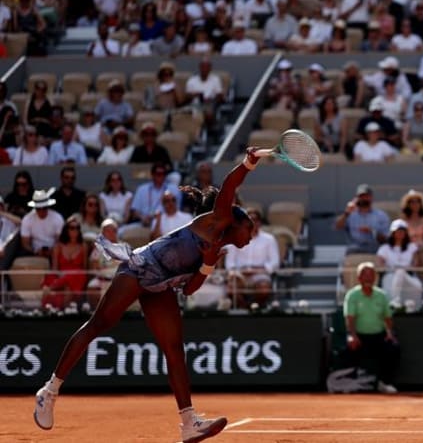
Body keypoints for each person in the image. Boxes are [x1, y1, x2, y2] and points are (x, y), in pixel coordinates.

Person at [34, 147, 265, 442]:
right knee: (99, 324)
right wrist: (249, 162)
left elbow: (189, 289)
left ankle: (189, 423)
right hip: (140, 268)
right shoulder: (216, 220)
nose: (251, 235)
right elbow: (230, 185)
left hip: (161, 285)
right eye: (249, 228)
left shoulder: (217, 249)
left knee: (174, 348)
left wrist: (207, 263)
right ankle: (49, 392)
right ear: (235, 221)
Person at [343, 262, 399, 394]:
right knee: (349, 350)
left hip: (379, 335)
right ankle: (352, 383)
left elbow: (387, 317)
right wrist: (353, 336)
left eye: (371, 275)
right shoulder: (352, 295)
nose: (368, 278)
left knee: (393, 348)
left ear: (375, 278)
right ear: (359, 278)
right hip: (359, 335)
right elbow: (350, 318)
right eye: (365, 275)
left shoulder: (382, 295)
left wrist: (389, 333)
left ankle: (385, 382)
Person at [224, 207, 280, 308]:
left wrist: (258, 270)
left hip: (260, 274)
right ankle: (246, 308)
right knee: (230, 289)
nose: (252, 222)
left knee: (264, 289)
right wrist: (240, 271)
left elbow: (275, 262)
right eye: (249, 219)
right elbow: (230, 263)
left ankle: (255, 308)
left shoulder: (269, 239)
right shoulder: (235, 237)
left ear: (259, 222)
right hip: (239, 274)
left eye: (255, 220)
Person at [40, 217, 88, 309]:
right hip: (61, 275)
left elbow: (84, 267)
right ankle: (57, 310)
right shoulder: (58, 246)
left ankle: (51, 288)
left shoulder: (83, 246)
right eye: (72, 228)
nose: (75, 231)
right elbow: (55, 268)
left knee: (75, 276)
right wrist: (60, 276)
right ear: (66, 230)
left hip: (77, 276)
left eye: (77, 228)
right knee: (65, 286)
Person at [376, 219, 423, 304]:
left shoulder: (412, 247)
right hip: (390, 276)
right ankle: (394, 303)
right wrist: (394, 269)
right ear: (392, 233)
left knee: (402, 273)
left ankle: (396, 302)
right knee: (397, 274)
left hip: (408, 276)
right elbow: (380, 265)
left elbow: (416, 264)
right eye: (397, 231)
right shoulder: (384, 248)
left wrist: (403, 269)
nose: (400, 233)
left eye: (402, 231)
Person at [335, 184, 390, 254]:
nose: (364, 198)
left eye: (366, 196)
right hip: (355, 248)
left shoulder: (381, 215)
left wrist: (372, 231)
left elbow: (386, 239)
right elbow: (337, 226)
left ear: (371, 197)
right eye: (361, 196)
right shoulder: (350, 214)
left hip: (375, 248)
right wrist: (347, 213)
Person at [128, 162, 181, 229]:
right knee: (123, 231)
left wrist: (161, 218)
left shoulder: (173, 189)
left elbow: (177, 209)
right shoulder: (142, 189)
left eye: (163, 174)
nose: (161, 176)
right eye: (158, 174)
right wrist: (143, 218)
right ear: (152, 175)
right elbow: (134, 210)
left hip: (166, 222)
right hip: (144, 223)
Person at [20, 188, 64, 258]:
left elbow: (60, 240)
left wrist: (53, 251)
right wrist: (35, 251)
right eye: (38, 208)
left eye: (44, 208)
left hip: (55, 251)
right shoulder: (27, 219)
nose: (41, 211)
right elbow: (25, 243)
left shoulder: (57, 218)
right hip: (34, 252)